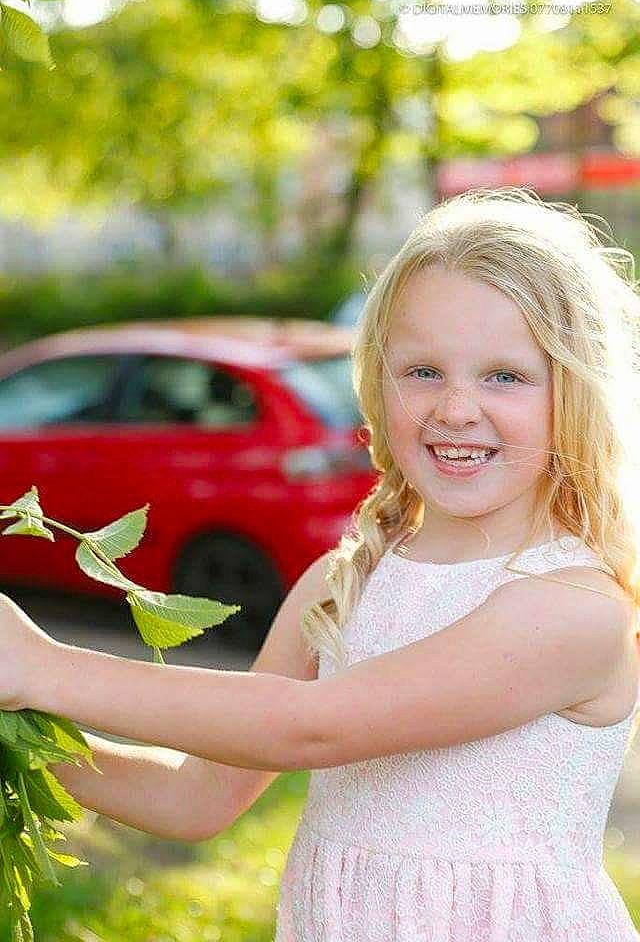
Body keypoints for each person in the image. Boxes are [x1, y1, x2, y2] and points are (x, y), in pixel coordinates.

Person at [1, 186, 640, 941]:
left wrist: (43, 668)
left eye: (504, 375)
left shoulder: (572, 607)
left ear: (578, 393)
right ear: (376, 383)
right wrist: (23, 739)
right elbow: (200, 796)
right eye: (422, 371)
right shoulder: (345, 583)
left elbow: (310, 729)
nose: (457, 407)